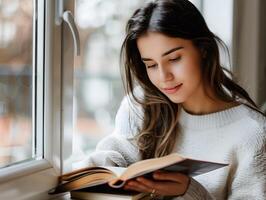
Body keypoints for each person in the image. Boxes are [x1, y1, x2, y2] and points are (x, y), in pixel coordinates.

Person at [85, 0, 266, 199]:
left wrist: (190, 191)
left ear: (203, 49)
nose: (163, 77)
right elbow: (117, 152)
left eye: (174, 59)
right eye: (151, 65)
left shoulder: (253, 134)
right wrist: (96, 173)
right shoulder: (142, 104)